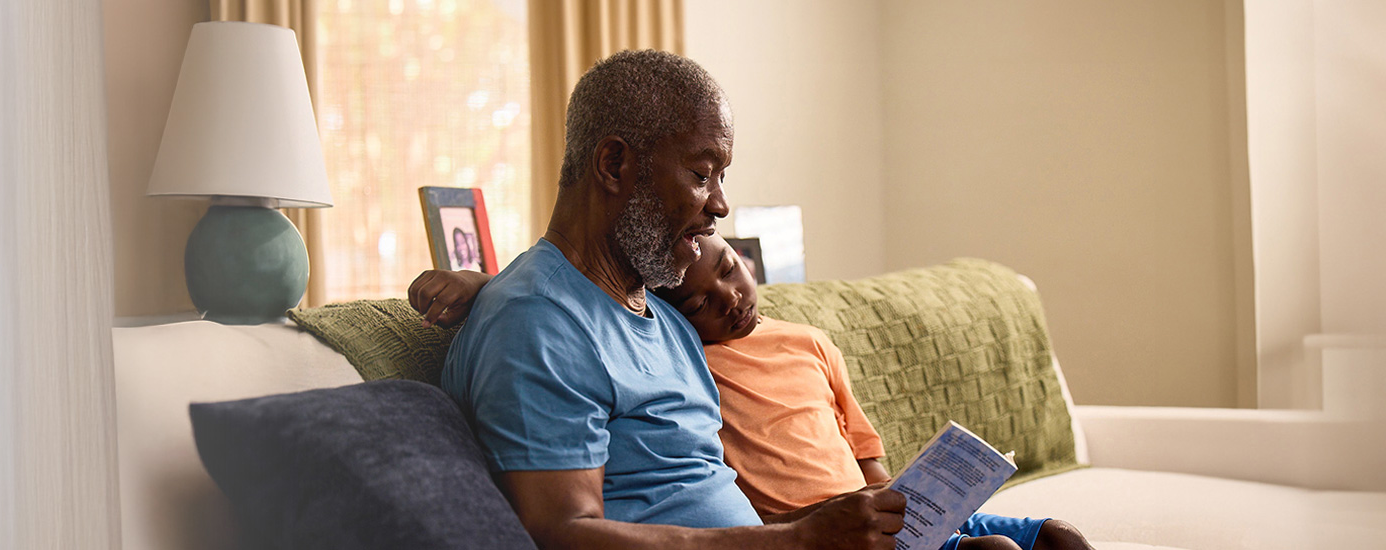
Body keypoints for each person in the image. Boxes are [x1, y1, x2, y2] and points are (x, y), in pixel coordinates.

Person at [420, 49, 906, 550]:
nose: (719, 204)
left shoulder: (666, 318)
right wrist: (800, 541)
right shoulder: (537, 323)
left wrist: (834, 519)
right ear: (614, 164)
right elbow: (562, 533)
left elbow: (697, 501)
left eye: (722, 177)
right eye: (701, 174)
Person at [411, 237, 1096, 550]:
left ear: (746, 256)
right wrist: (481, 284)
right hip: (808, 529)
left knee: (1061, 536)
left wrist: (903, 510)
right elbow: (585, 282)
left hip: (884, 522)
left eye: (731, 273)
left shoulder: (810, 342)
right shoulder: (683, 351)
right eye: (703, 301)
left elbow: (864, 451)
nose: (728, 299)